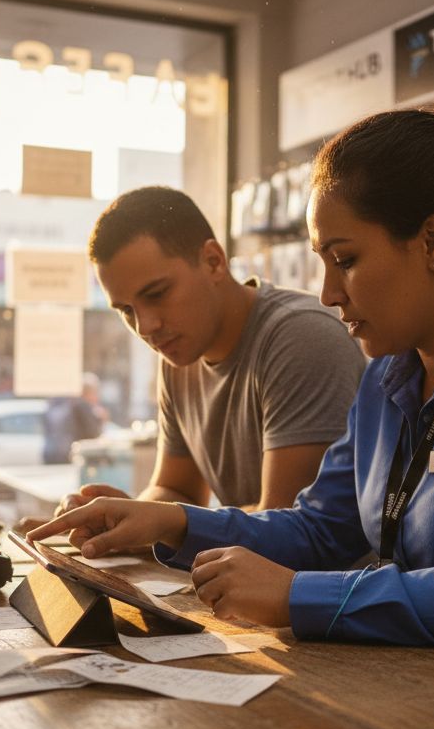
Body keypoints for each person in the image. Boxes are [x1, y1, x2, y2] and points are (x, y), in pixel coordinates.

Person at [30, 100, 434, 694]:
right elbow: (323, 526)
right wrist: (174, 522)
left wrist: (298, 596)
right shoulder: (389, 374)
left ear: (433, 242)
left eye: (343, 260)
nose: (327, 292)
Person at [53, 186, 364, 515]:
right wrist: (122, 516)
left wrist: (156, 524)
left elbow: (286, 523)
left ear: (214, 262)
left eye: (157, 294)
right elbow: (177, 490)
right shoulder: (179, 355)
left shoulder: (302, 337)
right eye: (127, 310)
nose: (145, 327)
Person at [42, 372, 109, 464]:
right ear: (89, 392)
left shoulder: (65, 404)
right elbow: (93, 434)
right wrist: (99, 419)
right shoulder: (82, 406)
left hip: (53, 454)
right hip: (72, 455)